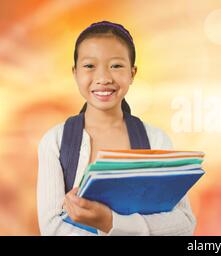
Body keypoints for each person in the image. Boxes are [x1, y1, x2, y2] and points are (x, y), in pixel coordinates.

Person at [37, 21, 196, 236]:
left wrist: (110, 222)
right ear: (75, 73)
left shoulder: (156, 140)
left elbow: (184, 223)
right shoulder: (56, 141)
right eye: (89, 66)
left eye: (116, 66)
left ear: (132, 73)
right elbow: (51, 227)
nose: (103, 78)